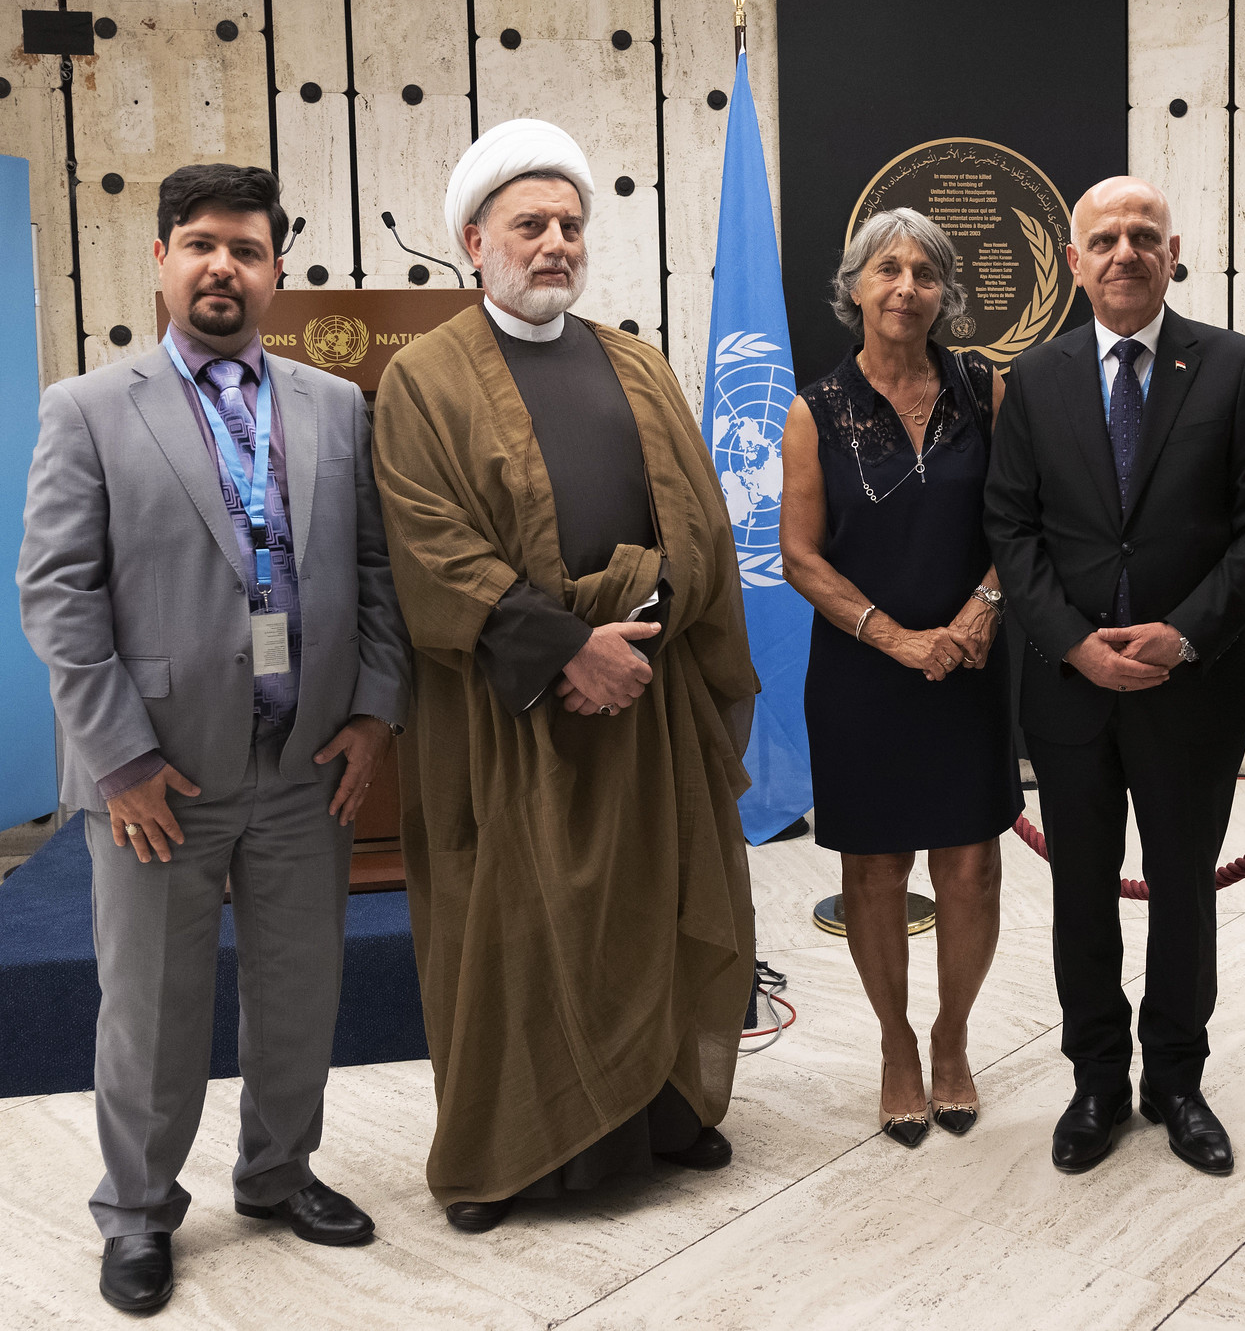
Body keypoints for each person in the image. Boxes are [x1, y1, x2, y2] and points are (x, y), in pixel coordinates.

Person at [16, 164, 410, 1312]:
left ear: (278, 268)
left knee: (300, 989)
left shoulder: (335, 404)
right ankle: (138, 1211)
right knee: (150, 1008)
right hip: (158, 778)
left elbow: (377, 574)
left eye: (245, 247)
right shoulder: (87, 407)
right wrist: (121, 760)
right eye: (199, 243)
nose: (221, 266)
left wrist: (376, 711)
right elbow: (57, 595)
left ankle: (279, 1173)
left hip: (305, 766)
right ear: (161, 258)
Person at [371, 120, 759, 1232]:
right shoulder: (423, 379)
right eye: (529, 224)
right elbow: (432, 546)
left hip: (642, 700)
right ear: (472, 239)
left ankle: (661, 1112)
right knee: (513, 929)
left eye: (570, 225)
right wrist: (566, 649)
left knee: (648, 901)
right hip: (509, 711)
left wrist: (636, 624)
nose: (554, 244)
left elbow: (701, 523)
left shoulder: (632, 362)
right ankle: (513, 1150)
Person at [985, 176, 1245, 1176]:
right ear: (1074, 261)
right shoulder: (1033, 378)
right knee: (1078, 892)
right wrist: (1073, 641)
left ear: (1172, 249)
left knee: (1184, 891)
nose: (1124, 251)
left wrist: (1183, 632)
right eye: (1103, 238)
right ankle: (1097, 1080)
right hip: (1069, 690)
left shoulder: (1233, 367)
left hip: (1190, 685)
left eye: (1142, 235)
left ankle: (1176, 1080)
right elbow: (1011, 529)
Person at [781, 208, 1022, 1147]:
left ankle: (953, 1037)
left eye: (926, 271)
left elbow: (1020, 526)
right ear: (853, 288)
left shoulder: (988, 391)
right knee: (876, 870)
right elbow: (800, 556)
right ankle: (895, 1046)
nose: (907, 287)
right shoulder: (815, 408)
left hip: (969, 665)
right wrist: (895, 638)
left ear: (946, 293)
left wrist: (978, 614)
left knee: (971, 867)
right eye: (888, 269)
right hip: (862, 676)